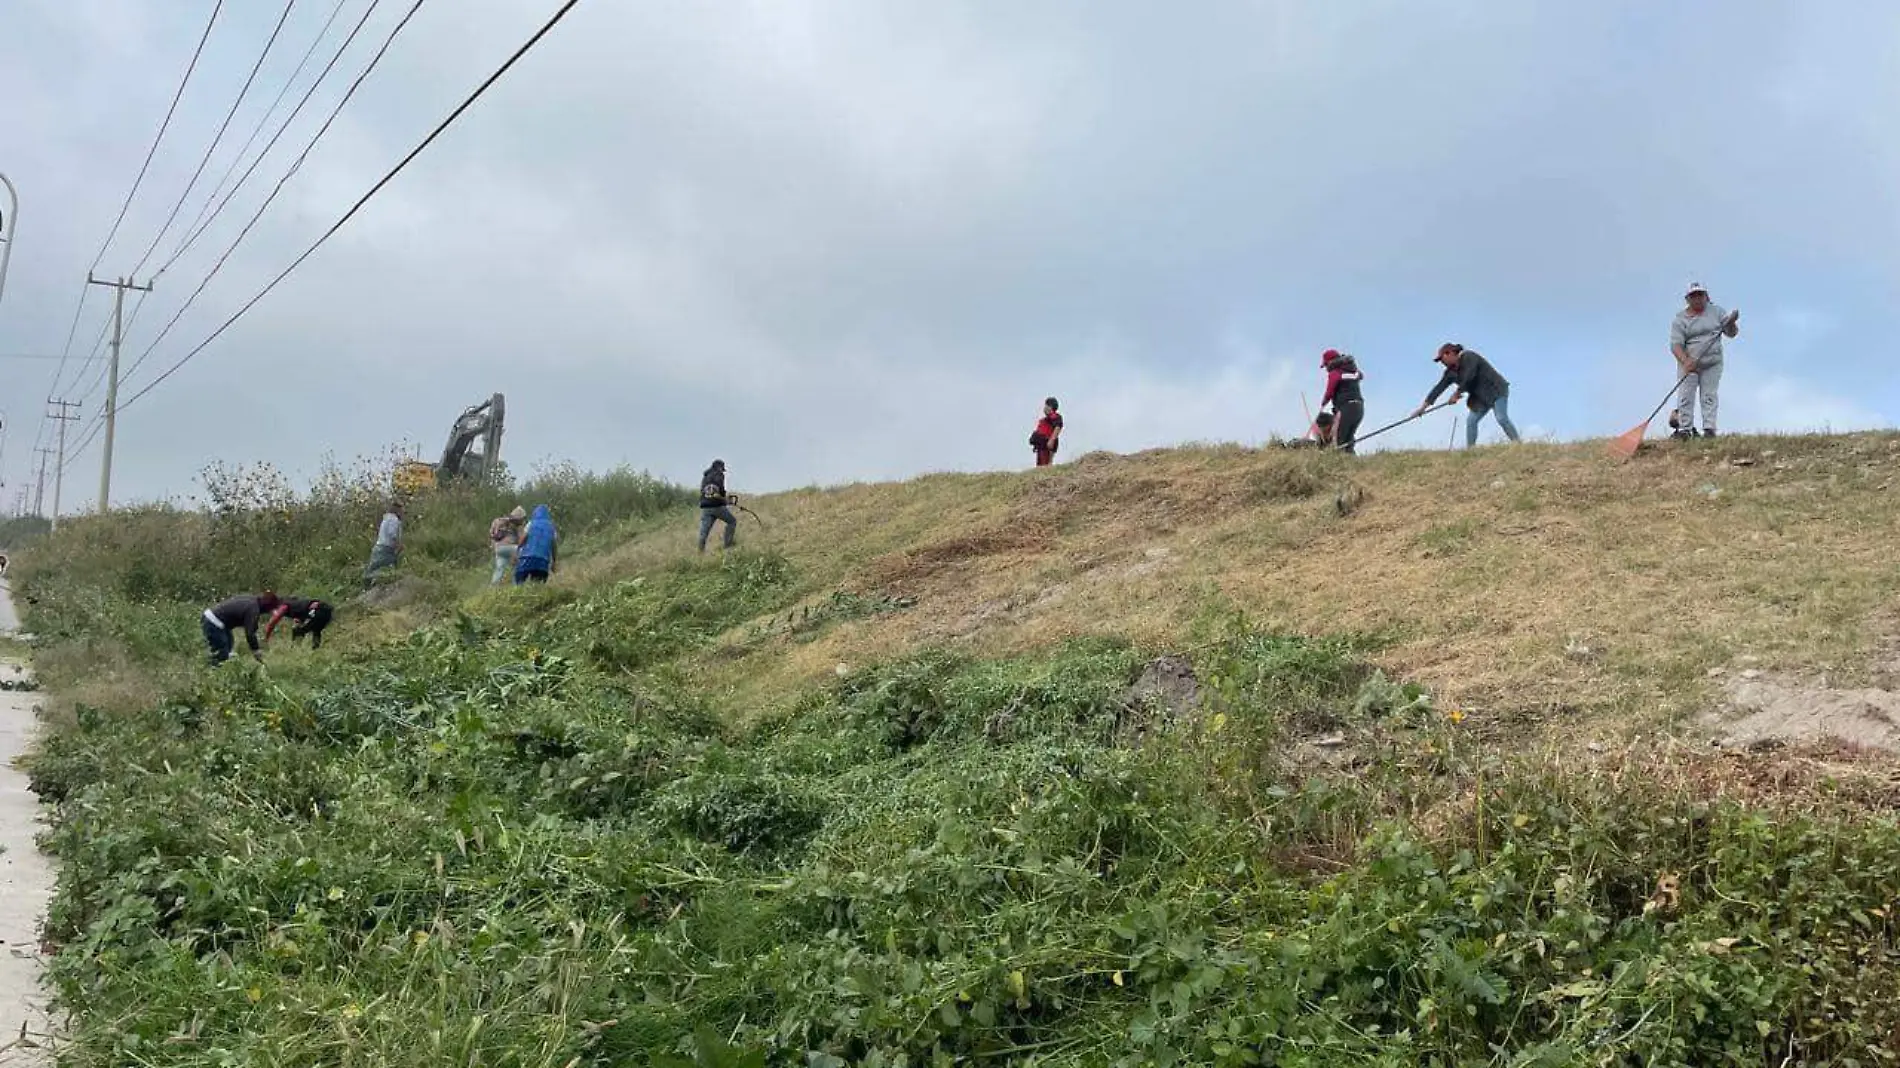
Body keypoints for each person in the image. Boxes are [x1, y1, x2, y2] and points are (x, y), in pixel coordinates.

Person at [1670, 282, 1741, 439]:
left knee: (1709, 396)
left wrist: (1731, 323)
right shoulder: (1680, 319)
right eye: (1693, 296)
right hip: (1689, 363)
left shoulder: (1716, 312)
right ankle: (1685, 430)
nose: (1697, 299)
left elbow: (1731, 333)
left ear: (1706, 296)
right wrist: (1686, 361)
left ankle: (1709, 429)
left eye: (1700, 295)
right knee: (1685, 396)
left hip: (1712, 362)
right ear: (1688, 299)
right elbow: (1675, 345)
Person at [1415, 343, 1521, 448]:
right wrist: (1422, 408)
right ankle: (1470, 451)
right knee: (1471, 421)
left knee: (1501, 418)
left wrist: (1456, 393)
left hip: (1496, 390)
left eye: (1442, 359)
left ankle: (1518, 445)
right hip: (1480, 398)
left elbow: (1469, 376)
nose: (1442, 362)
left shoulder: (1469, 357)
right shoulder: (1449, 373)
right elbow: (1438, 389)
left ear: (1450, 353)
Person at [202, 591, 282, 665]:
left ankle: (224, 664)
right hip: (213, 621)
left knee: (229, 643)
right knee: (222, 651)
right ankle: (210, 670)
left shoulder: (252, 600)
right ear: (267, 606)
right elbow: (250, 633)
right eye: (271, 609)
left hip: (215, 619)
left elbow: (249, 623)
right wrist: (256, 650)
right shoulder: (253, 609)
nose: (270, 612)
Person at [1319, 350, 1366, 453]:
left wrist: (1323, 402)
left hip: (1346, 408)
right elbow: (1361, 376)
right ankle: (1351, 462)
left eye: (1326, 364)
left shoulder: (1335, 373)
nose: (1326, 368)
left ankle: (1339, 464)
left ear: (1331, 362)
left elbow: (1329, 392)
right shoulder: (1353, 371)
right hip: (1359, 408)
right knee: (1348, 438)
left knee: (1338, 439)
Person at [698, 460, 738, 552]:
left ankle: (700, 552)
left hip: (705, 507)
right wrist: (725, 500)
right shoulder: (719, 475)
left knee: (704, 531)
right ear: (719, 467)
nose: (722, 471)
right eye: (722, 469)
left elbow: (703, 491)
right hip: (717, 506)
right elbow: (720, 490)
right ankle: (728, 546)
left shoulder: (705, 477)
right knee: (732, 521)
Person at [265, 596, 334, 650]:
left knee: (297, 631)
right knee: (316, 629)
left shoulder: (283, 605)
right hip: (326, 612)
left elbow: (273, 622)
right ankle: (315, 651)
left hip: (318, 610)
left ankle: (295, 652)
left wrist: (266, 638)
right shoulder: (295, 604)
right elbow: (301, 613)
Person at [514, 505, 559, 584]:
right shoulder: (551, 527)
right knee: (538, 584)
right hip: (543, 560)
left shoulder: (531, 523)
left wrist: (517, 551)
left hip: (527, 558)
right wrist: (554, 562)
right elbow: (554, 546)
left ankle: (517, 594)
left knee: (519, 580)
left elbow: (523, 538)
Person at [364, 501, 403, 588]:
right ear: (397, 510)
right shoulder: (394, 520)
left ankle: (370, 587)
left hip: (379, 547)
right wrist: (399, 545)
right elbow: (392, 534)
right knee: (387, 568)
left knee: (373, 569)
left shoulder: (386, 519)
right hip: (386, 548)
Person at [489, 505, 527, 585]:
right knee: (517, 566)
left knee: (499, 569)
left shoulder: (499, 521)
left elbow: (492, 534)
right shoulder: (517, 524)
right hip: (511, 547)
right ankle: (516, 585)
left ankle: (493, 589)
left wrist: (493, 546)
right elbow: (522, 538)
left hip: (498, 548)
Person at [1029, 397, 1064, 467]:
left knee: (1045, 465)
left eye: (1046, 406)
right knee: (1040, 466)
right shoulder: (1045, 420)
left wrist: (1051, 440)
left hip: (1046, 446)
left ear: (1050, 407)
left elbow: (1058, 427)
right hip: (1040, 447)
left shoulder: (1055, 416)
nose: (1044, 408)